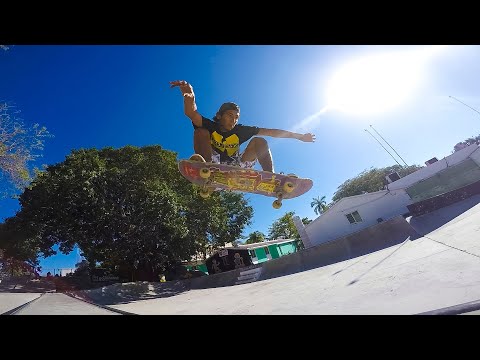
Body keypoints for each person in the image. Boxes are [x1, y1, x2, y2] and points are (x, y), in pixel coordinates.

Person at [169, 80, 315, 173]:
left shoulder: (241, 130)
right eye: (230, 115)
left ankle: (270, 178)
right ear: (219, 116)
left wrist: (299, 136)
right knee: (200, 131)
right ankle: (207, 170)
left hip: (236, 166)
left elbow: (272, 132)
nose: (234, 120)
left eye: (236, 117)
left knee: (260, 140)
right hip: (214, 165)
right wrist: (190, 96)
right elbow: (192, 113)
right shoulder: (211, 125)